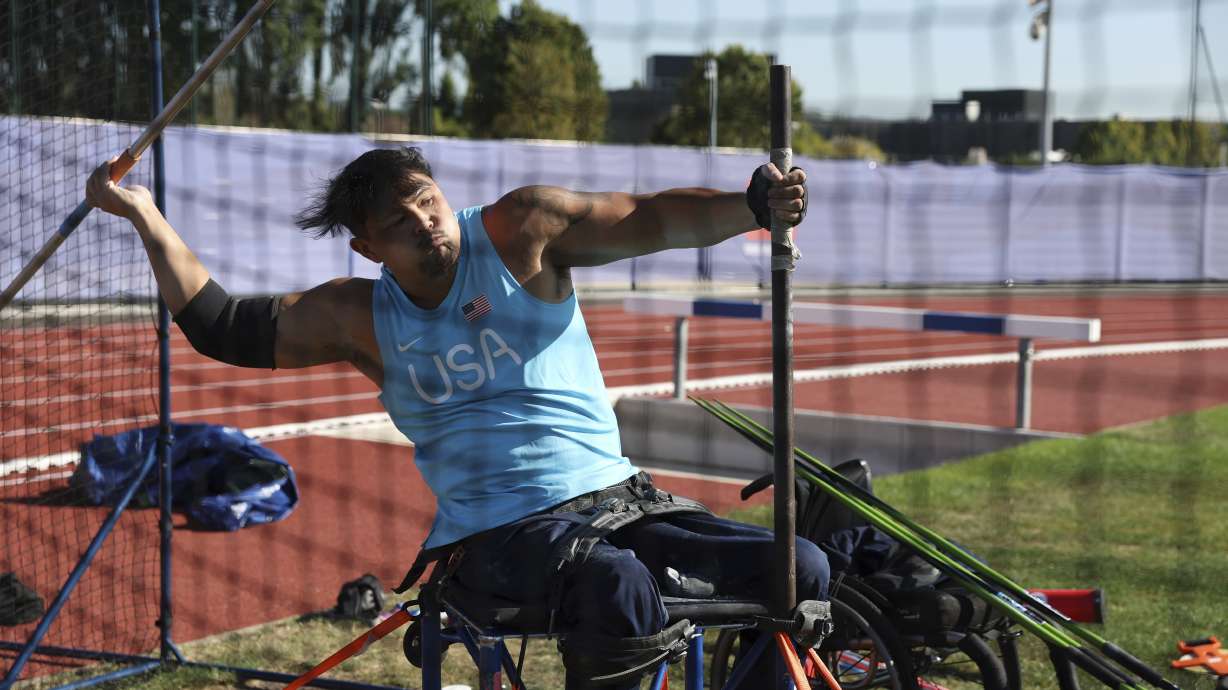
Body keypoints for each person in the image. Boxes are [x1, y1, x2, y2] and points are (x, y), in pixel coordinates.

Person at [85, 146, 828, 688]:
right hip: (499, 534)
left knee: (801, 567)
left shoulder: (522, 232)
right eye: (400, 223)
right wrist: (144, 212)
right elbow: (221, 325)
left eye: (428, 203)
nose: (426, 224)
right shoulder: (359, 316)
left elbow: (652, 219)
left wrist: (751, 208)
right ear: (368, 247)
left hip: (619, 500)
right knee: (619, 588)